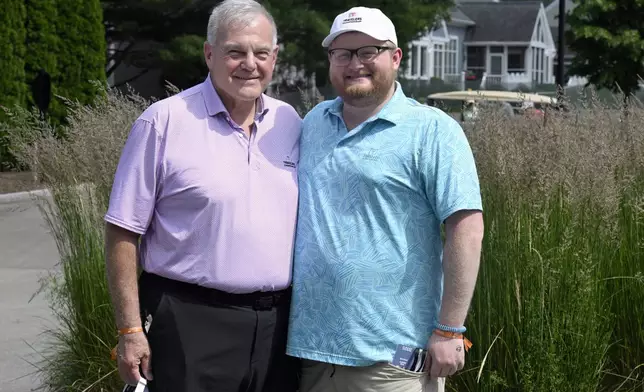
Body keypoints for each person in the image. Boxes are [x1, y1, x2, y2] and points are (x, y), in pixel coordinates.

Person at [103, 0, 302, 391]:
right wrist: (129, 329)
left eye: (261, 53)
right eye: (235, 52)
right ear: (209, 54)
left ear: (275, 58)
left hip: (278, 327)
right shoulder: (164, 121)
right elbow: (122, 233)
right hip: (189, 322)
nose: (250, 64)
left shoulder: (289, 122)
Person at [286, 6, 484, 392]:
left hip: (393, 361)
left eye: (367, 52)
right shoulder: (312, 123)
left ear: (395, 58)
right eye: (342, 53)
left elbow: (467, 228)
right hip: (310, 354)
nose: (354, 63)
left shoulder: (432, 130)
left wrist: (449, 330)